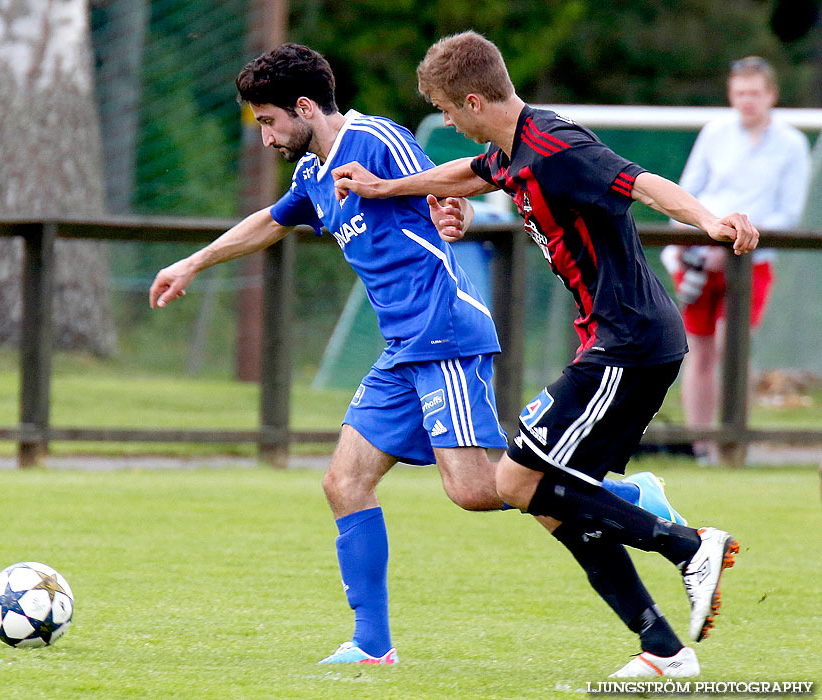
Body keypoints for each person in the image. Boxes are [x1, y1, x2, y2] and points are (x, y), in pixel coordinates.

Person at [149, 42, 684, 669]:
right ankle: (372, 645)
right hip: (403, 346)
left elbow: (453, 181)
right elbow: (270, 221)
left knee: (482, 490)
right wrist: (193, 261)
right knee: (344, 483)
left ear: (303, 107)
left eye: (268, 122)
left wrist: (453, 211)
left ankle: (632, 497)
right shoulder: (312, 177)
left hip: (444, 333)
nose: (265, 137)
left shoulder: (376, 140)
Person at [333, 31, 758, 677]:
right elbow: (463, 176)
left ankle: (685, 544)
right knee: (549, 500)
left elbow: (644, 184)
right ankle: (664, 652)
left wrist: (710, 220)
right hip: (613, 341)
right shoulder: (507, 152)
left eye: (448, 110)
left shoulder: (557, 147)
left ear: (474, 101)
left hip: (631, 341)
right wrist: (386, 189)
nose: (446, 121)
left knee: (513, 480)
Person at [661, 56, 811, 463]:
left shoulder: (792, 144)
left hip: (751, 260)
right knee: (699, 349)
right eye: (740, 93)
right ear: (731, 94)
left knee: (733, 346)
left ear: (771, 96)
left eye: (754, 93)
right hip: (700, 253)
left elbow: (787, 213)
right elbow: (689, 191)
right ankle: (700, 445)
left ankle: (734, 442)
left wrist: (740, 239)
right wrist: (702, 239)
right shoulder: (715, 134)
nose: (747, 101)